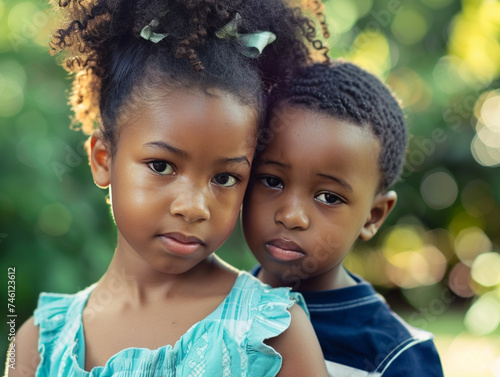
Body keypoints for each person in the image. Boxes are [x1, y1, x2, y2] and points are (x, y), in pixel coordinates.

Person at [10, 1, 331, 376]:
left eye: (225, 178)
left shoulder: (270, 333)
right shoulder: (39, 346)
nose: (194, 207)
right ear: (102, 159)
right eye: (162, 166)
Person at [242, 60, 445, 376]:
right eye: (272, 180)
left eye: (329, 197)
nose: (292, 215)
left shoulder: (395, 357)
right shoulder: (208, 301)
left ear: (373, 216)